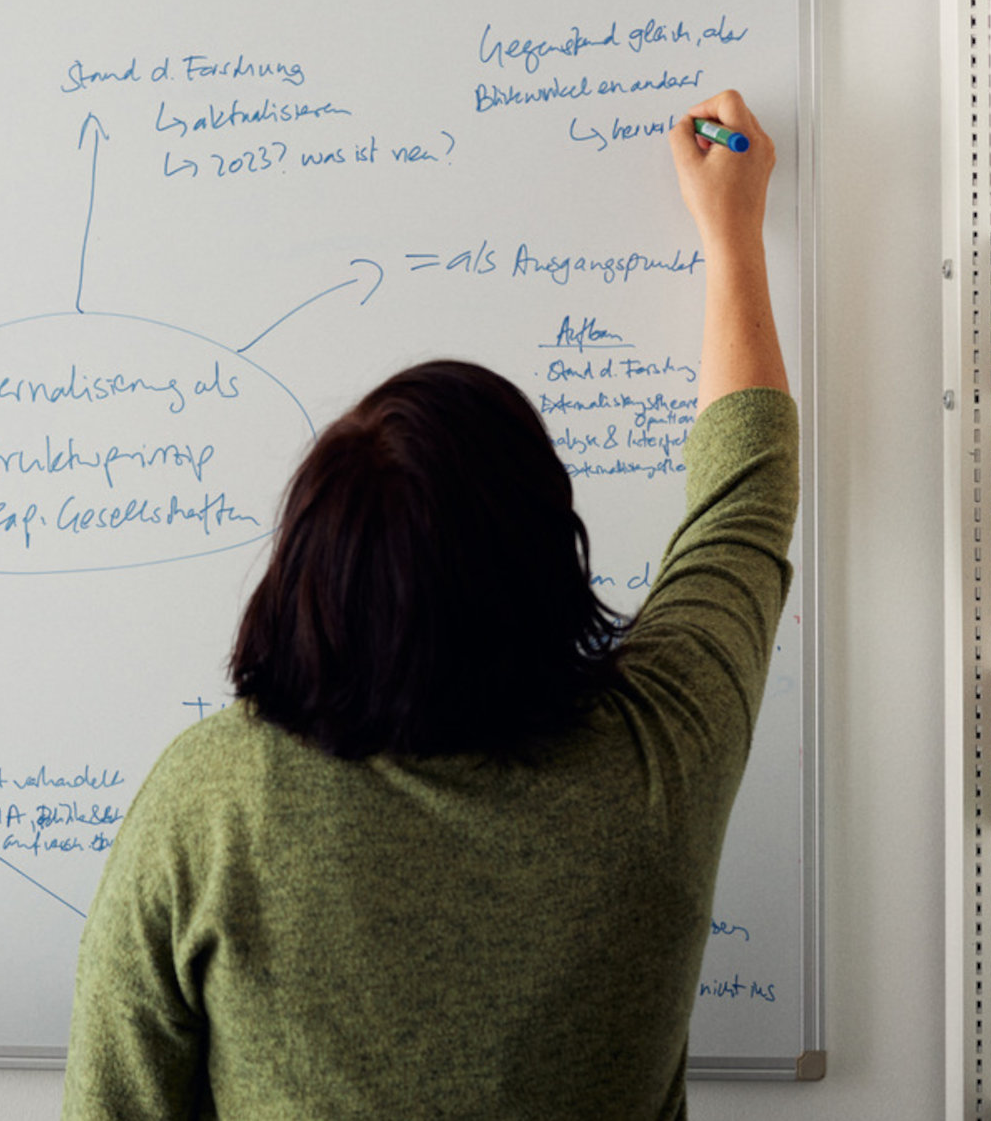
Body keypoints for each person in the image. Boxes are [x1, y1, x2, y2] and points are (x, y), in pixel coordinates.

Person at [61, 89, 796, 1120]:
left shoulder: (210, 801)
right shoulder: (659, 755)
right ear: (548, 566)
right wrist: (731, 237)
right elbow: (744, 497)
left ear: (305, 575)